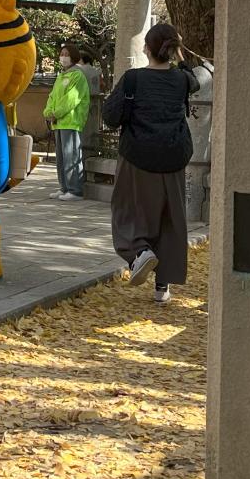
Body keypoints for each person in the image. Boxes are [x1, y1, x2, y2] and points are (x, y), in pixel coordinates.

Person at [101, 23, 194, 305]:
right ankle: (162, 286)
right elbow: (197, 79)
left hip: (137, 156)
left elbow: (110, 116)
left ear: (148, 48)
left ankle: (139, 252)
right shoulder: (182, 80)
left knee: (128, 210)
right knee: (169, 218)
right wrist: (181, 59)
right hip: (174, 157)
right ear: (173, 50)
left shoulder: (133, 79)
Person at [44, 44, 92, 202]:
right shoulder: (61, 76)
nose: (63, 57)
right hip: (58, 122)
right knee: (61, 157)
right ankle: (64, 187)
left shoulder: (77, 75)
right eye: (61, 54)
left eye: (66, 54)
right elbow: (52, 97)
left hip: (71, 121)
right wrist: (48, 112)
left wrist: (55, 113)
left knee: (71, 156)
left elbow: (71, 99)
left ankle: (75, 190)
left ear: (73, 56)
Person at [77, 51, 102, 156]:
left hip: (83, 103)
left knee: (83, 132)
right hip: (96, 103)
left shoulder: (80, 70)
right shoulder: (96, 71)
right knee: (93, 129)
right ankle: (93, 152)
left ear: (82, 59)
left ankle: (82, 154)